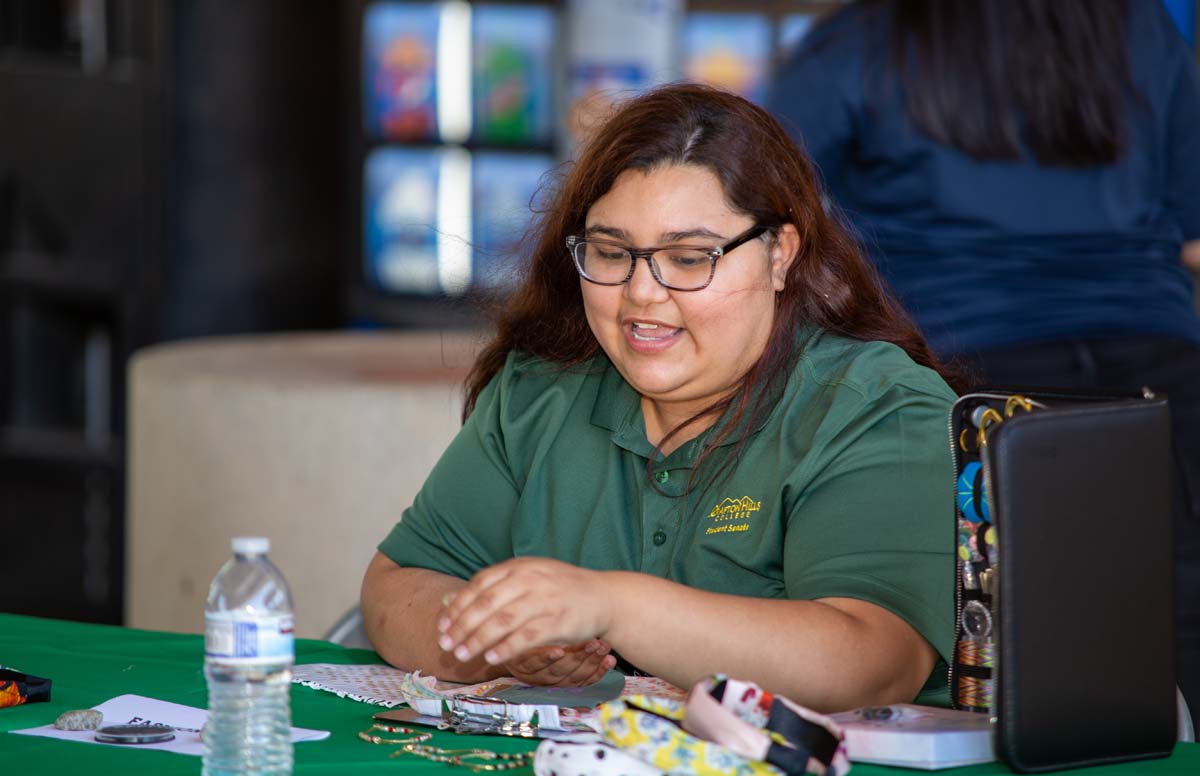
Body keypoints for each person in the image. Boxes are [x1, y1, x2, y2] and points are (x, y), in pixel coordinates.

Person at [361, 83, 963, 712]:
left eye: (688, 257)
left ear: (780, 255)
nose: (642, 294)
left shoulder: (874, 406)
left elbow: (870, 664)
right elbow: (395, 586)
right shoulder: (541, 390)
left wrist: (610, 606)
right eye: (613, 252)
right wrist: (499, 641)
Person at [767, 0, 1200, 723]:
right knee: (1175, 628)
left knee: (990, 670)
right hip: (1163, 377)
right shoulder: (1137, 25)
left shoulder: (864, 37)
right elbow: (1193, 237)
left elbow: (759, 205)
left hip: (967, 386)